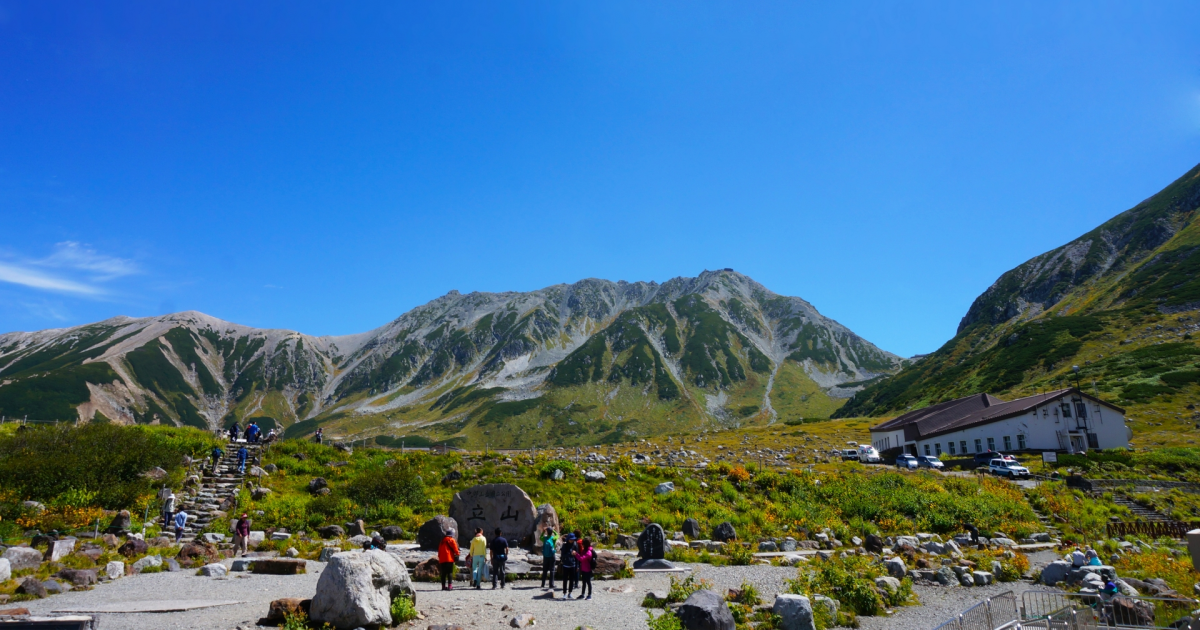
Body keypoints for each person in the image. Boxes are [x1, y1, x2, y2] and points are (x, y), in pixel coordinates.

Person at [560, 533, 578, 598]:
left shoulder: (575, 544)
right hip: (566, 565)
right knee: (565, 580)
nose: (572, 540)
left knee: (571, 580)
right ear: (568, 539)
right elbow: (563, 555)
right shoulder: (565, 545)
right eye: (571, 539)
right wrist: (570, 554)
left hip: (573, 564)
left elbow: (577, 555)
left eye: (573, 539)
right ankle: (564, 593)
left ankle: (570, 593)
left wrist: (577, 565)